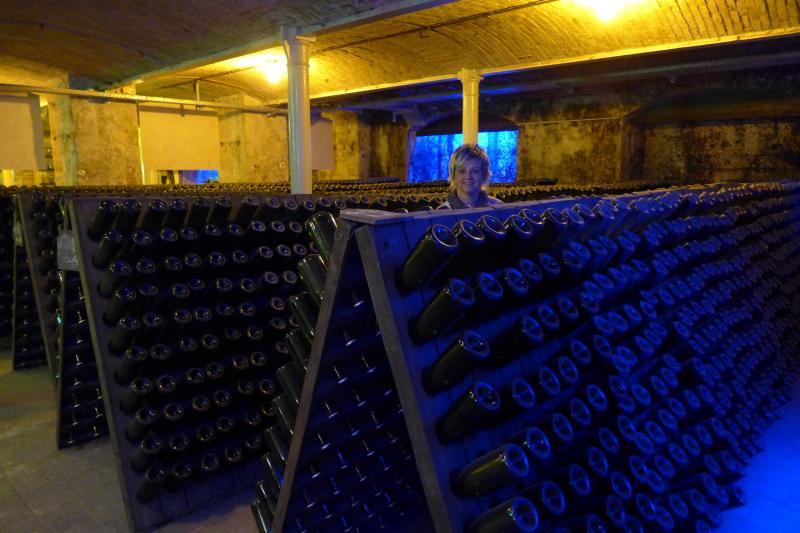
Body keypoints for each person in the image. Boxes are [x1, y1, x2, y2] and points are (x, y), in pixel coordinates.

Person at [438, 144, 503, 209]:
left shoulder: (499, 208)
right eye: (462, 171)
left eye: (475, 171)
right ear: (453, 175)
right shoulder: (441, 212)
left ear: (484, 175)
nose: (468, 176)